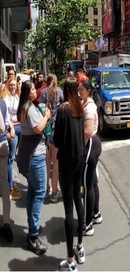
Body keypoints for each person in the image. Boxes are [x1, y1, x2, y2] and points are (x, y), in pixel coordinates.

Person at [53, 79, 87, 271]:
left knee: (68, 208)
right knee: (78, 201)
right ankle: (80, 247)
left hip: (67, 160)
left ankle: (70, 260)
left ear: (66, 90)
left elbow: (57, 141)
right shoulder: (79, 107)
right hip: (80, 158)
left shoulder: (63, 109)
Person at [16, 80, 51, 255]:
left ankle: (32, 227)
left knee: (32, 191)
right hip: (35, 157)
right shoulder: (29, 108)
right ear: (26, 92)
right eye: (32, 89)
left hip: (28, 155)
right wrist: (46, 116)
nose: (35, 91)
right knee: (39, 193)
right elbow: (38, 128)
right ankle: (33, 235)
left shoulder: (24, 107)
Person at [78, 81, 102, 237]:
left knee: (87, 186)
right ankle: (96, 213)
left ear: (88, 90)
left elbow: (87, 131)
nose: (79, 92)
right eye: (79, 89)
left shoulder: (90, 107)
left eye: (81, 89)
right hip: (92, 144)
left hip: (90, 144)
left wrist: (81, 147)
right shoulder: (85, 103)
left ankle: (87, 224)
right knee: (92, 182)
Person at [40, 73, 64, 203]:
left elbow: (40, 108)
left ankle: (45, 189)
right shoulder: (59, 92)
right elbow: (64, 108)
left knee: (46, 161)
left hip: (45, 128)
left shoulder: (43, 92)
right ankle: (54, 192)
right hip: (56, 129)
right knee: (55, 162)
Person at [1, 74, 22, 199]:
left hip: (20, 127)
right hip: (11, 129)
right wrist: (11, 127)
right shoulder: (5, 98)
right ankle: (10, 188)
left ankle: (11, 182)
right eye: (11, 85)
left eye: (15, 85)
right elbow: (6, 116)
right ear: (8, 86)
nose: (13, 87)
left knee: (15, 156)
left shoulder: (17, 97)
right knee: (11, 158)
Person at [0, 93, 15, 241]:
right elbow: (6, 122)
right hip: (3, 144)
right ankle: (6, 222)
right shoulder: (3, 103)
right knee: (4, 184)